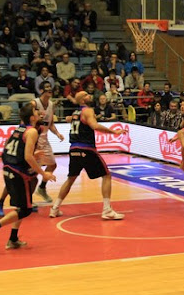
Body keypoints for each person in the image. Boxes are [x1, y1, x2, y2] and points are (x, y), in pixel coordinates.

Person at [0, 103, 56, 250]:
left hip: (9, 168)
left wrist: (30, 156)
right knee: (25, 210)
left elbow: (8, 150)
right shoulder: (32, 131)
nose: (39, 112)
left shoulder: (19, 129)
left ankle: (13, 239)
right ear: (32, 117)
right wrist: (44, 173)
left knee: (21, 207)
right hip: (18, 172)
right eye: (35, 111)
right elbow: (28, 157)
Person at [49, 91, 126, 219]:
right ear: (82, 100)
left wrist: (70, 118)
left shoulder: (76, 113)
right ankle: (107, 210)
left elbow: (69, 119)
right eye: (86, 95)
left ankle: (55, 208)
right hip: (86, 148)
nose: (89, 95)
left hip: (74, 149)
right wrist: (114, 132)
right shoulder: (88, 111)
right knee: (106, 175)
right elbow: (94, 126)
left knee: (70, 179)